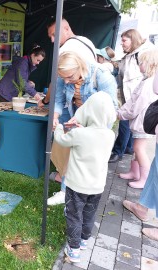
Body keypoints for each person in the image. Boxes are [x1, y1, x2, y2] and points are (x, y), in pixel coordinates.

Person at [38, 17, 97, 205]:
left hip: (72, 106)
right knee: (73, 146)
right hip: (85, 105)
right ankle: (64, 179)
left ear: (66, 28)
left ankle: (66, 189)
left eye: (54, 35)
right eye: (50, 37)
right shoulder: (87, 41)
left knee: (67, 146)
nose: (53, 41)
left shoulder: (65, 50)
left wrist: (45, 101)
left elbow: (56, 85)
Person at [47, 51, 118, 206]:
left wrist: (90, 131)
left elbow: (111, 109)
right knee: (66, 148)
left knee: (86, 158)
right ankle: (65, 189)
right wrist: (55, 117)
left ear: (80, 67)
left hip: (96, 124)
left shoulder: (101, 75)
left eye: (70, 77)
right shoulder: (64, 75)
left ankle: (82, 193)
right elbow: (58, 100)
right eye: (62, 77)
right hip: (75, 117)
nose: (65, 81)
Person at [54, 91, 116, 262]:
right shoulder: (110, 135)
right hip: (97, 186)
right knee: (89, 214)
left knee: (74, 214)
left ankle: (73, 250)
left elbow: (61, 139)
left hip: (76, 185)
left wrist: (62, 126)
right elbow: (92, 137)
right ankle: (83, 241)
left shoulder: (79, 134)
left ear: (88, 111)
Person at [122, 70, 158, 241]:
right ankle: (142, 206)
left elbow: (155, 88)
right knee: (155, 171)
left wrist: (121, 113)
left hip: (145, 124)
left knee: (142, 152)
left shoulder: (150, 79)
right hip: (149, 126)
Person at [109, 29, 154, 163]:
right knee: (128, 125)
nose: (121, 43)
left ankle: (117, 152)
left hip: (135, 97)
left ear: (133, 39)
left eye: (124, 40)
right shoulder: (131, 54)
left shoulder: (142, 54)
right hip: (129, 96)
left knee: (124, 123)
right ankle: (127, 148)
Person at [117, 49, 158, 189]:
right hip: (141, 122)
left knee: (138, 148)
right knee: (136, 148)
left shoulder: (148, 83)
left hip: (144, 123)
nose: (139, 66)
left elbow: (136, 106)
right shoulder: (145, 80)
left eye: (141, 63)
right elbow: (132, 100)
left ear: (149, 64)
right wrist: (121, 110)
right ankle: (135, 172)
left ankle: (144, 179)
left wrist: (122, 114)